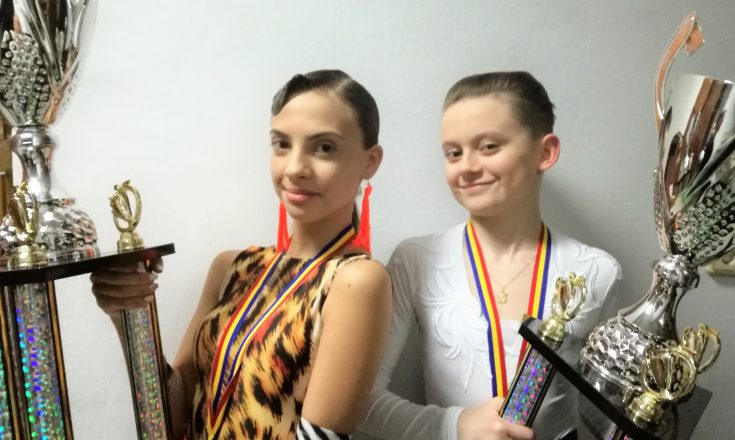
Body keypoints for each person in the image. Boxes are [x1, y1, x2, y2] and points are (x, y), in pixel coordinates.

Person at [91, 70, 392, 440]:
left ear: (370, 161)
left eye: (324, 147)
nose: (295, 168)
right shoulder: (232, 268)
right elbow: (169, 417)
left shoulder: (356, 281)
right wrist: (129, 316)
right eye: (282, 144)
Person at [359, 72, 620, 440]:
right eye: (453, 152)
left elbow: (605, 416)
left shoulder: (597, 271)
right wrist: (454, 425)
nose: (466, 166)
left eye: (489, 146)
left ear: (545, 152)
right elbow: (359, 403)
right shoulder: (416, 260)